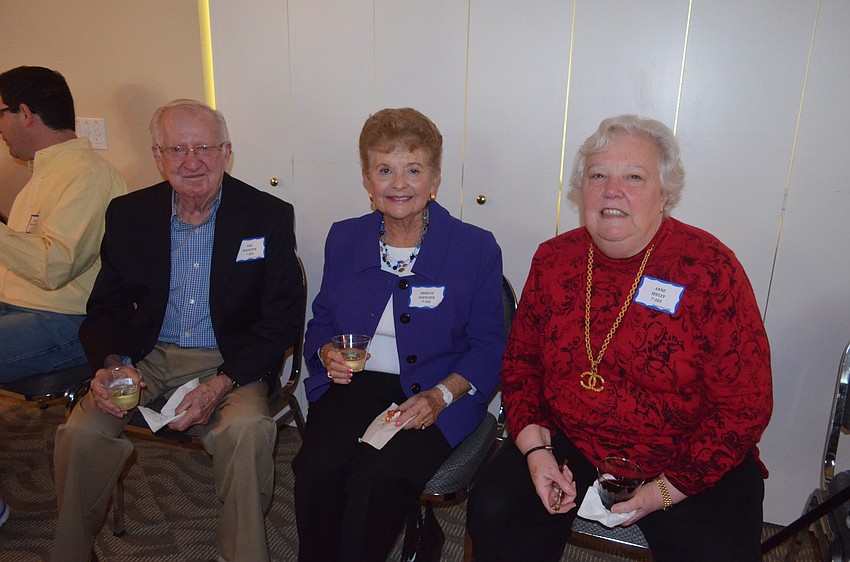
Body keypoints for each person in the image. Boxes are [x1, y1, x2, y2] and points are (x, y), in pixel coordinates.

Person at [467, 115, 773, 562]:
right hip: (570, 437)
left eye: (634, 176)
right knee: (495, 510)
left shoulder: (709, 269)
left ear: (665, 194)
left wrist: (665, 493)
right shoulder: (555, 260)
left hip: (684, 451)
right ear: (581, 191)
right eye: (598, 176)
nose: (612, 190)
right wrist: (536, 453)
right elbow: (522, 366)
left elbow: (746, 404)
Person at [51, 99, 305, 562]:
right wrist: (110, 365)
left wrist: (220, 384)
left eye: (204, 147)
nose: (192, 162)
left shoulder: (265, 215)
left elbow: (281, 320)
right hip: (145, 359)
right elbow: (105, 307)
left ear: (227, 152)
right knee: (80, 435)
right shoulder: (129, 214)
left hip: (230, 363)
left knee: (248, 430)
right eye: (177, 149)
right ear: (157, 156)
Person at [293, 107, 505, 561]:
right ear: (368, 180)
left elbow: (491, 346)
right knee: (315, 469)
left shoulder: (473, 247)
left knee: (375, 477)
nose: (399, 184)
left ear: (435, 179)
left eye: (414, 170)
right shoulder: (344, 238)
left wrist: (441, 396)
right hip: (356, 384)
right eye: (384, 170)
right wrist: (328, 350)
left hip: (433, 392)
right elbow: (322, 322)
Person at [0, 66, 126, 382]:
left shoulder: (89, 176)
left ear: (25, 114)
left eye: (1, 115)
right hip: (17, 309)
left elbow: (53, 267)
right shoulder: (44, 174)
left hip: (66, 322)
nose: (0, 129)